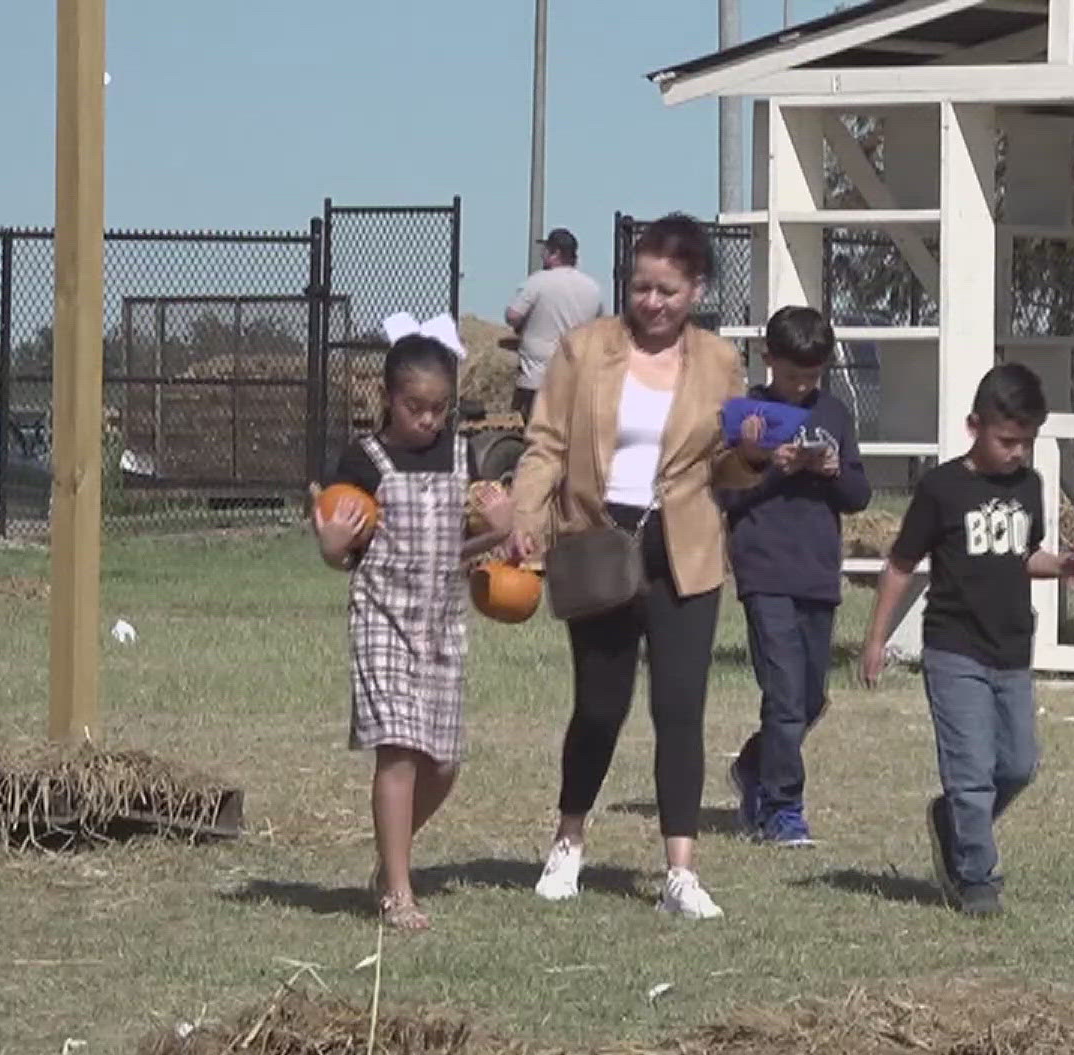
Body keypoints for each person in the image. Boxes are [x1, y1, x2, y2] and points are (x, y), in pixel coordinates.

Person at [506, 213, 770, 919]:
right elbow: (546, 445)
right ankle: (569, 839)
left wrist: (751, 453)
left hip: (684, 547)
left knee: (680, 709)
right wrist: (525, 515)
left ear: (697, 289)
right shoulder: (584, 350)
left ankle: (679, 871)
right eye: (641, 286)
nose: (651, 302)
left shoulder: (719, 361)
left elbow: (724, 468)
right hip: (597, 541)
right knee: (600, 705)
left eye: (668, 290)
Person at [310, 313, 513, 931]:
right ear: (388, 398)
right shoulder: (364, 459)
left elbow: (461, 546)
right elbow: (339, 548)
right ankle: (399, 891)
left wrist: (500, 533)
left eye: (438, 409)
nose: (426, 420)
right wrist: (330, 543)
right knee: (398, 752)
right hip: (382, 620)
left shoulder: (464, 456)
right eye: (414, 407)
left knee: (443, 762)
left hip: (443, 624)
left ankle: (389, 857)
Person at [858, 364, 1074, 918]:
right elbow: (902, 565)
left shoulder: (1029, 487)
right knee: (971, 774)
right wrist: (876, 639)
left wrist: (1067, 565)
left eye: (1027, 441)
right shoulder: (942, 489)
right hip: (954, 648)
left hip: (1011, 651)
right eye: (1007, 440)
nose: (1018, 453)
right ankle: (977, 879)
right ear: (973, 426)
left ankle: (952, 822)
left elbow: (1021, 556)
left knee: (1018, 766)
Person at [721, 305, 871, 846]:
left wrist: (831, 470)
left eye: (812, 376)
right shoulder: (745, 416)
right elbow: (727, 494)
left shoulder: (834, 412)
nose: (803, 386)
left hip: (817, 569)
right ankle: (783, 808)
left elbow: (858, 495)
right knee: (783, 695)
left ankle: (754, 766)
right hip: (764, 567)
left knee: (809, 699)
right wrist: (765, 464)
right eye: (792, 376)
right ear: (769, 360)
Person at [505, 227, 605, 421]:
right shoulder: (592, 287)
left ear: (555, 253)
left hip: (538, 377)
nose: (542, 256)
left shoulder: (536, 283)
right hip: (577, 376)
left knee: (537, 432)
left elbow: (513, 315)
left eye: (545, 251)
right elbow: (602, 325)